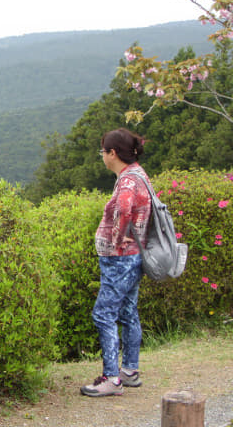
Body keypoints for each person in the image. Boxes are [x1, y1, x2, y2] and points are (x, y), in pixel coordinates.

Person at [80, 128, 152, 397]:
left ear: (112, 153)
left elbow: (124, 209)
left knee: (103, 314)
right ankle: (130, 371)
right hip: (134, 257)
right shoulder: (139, 174)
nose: (102, 156)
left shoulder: (127, 182)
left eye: (103, 152)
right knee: (128, 310)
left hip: (120, 259)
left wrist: (117, 237)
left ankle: (112, 378)